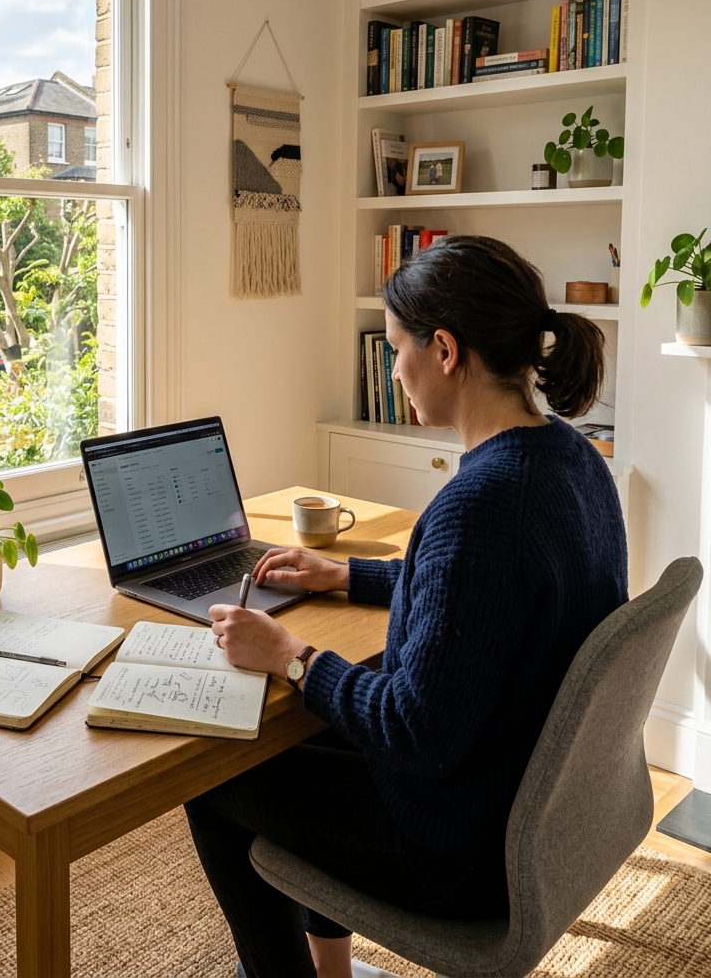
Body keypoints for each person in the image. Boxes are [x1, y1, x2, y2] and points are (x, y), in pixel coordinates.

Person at [185, 235, 627, 978]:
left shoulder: (482, 505)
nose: (395, 370)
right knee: (299, 737)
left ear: (446, 350)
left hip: (458, 849)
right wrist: (345, 577)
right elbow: (488, 598)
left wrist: (290, 656)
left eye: (397, 349)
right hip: (523, 805)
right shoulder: (568, 456)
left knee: (217, 774)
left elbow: (415, 731)